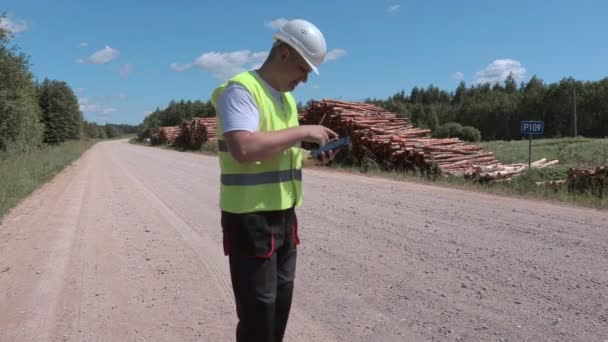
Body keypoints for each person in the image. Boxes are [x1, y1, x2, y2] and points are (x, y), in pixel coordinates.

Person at [210, 19, 338, 342]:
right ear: (283, 53)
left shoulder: (286, 100)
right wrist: (304, 131)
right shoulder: (241, 90)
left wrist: (311, 158)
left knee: (279, 309)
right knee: (259, 315)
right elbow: (244, 147)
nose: (305, 78)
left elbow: (280, 155)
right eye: (303, 68)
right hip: (250, 219)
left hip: (284, 218)